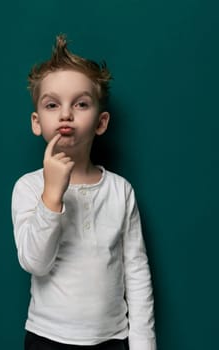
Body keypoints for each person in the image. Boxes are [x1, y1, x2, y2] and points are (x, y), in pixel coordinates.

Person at [11, 34, 156, 350]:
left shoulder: (120, 191)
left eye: (81, 104)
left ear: (101, 122)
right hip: (47, 339)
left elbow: (136, 271)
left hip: (111, 339)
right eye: (52, 104)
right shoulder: (28, 187)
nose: (66, 114)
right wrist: (52, 194)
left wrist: (143, 345)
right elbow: (35, 262)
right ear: (37, 122)